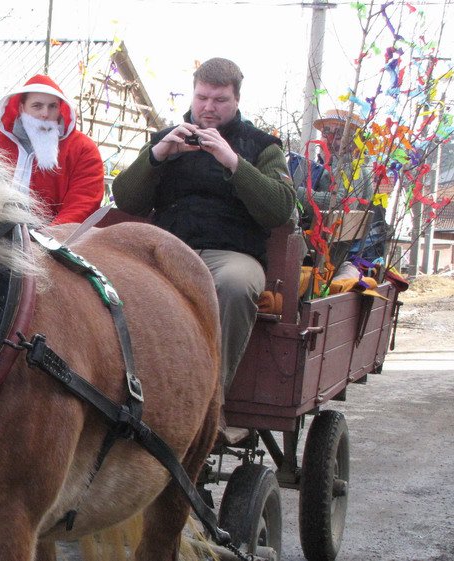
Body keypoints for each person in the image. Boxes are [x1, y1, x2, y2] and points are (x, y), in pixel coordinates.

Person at [111, 57, 295, 402]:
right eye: (202, 98)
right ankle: (130, 395)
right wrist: (157, 156)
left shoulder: (262, 146)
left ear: (236, 100)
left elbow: (280, 209)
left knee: (235, 285)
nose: (208, 108)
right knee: (120, 285)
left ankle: (209, 402)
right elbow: (126, 199)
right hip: (167, 250)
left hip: (230, 255)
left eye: (220, 100)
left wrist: (233, 162)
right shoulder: (166, 139)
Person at [0, 74, 105, 225]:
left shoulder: (82, 149)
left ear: (60, 109)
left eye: (52, 106)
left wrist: (47, 238)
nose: (45, 114)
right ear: (22, 108)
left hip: (53, 238)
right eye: (37, 106)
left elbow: (84, 202)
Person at [311, 109, 390, 262]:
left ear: (355, 142)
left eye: (340, 134)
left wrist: (299, 193)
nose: (331, 139)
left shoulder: (352, 168)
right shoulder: (325, 168)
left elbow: (343, 203)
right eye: (326, 132)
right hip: (327, 247)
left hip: (337, 256)